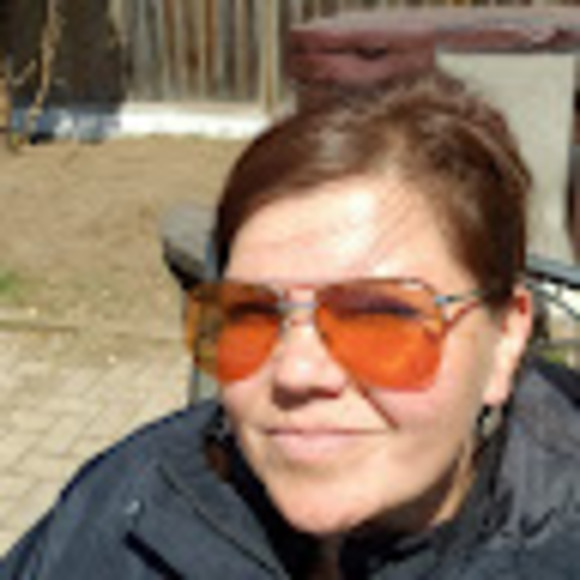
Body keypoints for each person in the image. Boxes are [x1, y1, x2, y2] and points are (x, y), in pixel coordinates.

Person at [3, 71, 580, 579]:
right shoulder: (132, 501)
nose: (296, 373)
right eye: (250, 315)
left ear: (505, 340)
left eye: (379, 317)